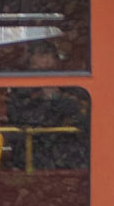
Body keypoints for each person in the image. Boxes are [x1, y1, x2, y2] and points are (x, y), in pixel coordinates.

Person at [6, 41, 88, 170]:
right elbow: (19, 117)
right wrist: (41, 99)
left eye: (51, 55)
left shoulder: (70, 84)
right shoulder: (20, 89)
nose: (47, 60)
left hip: (68, 155)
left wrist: (56, 97)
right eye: (41, 54)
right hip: (32, 154)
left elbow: (82, 113)